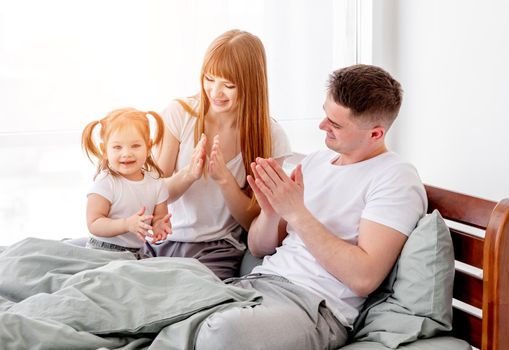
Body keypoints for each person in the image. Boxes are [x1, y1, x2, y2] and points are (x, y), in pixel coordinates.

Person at [194, 64, 428, 349]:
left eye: (336, 124)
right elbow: (258, 248)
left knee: (223, 331)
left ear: (376, 134)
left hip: (314, 307)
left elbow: (364, 277)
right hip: (258, 284)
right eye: (325, 114)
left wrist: (296, 212)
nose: (322, 125)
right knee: (163, 291)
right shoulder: (316, 162)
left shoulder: (395, 177)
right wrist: (270, 213)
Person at [149, 29, 291, 279]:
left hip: (217, 251)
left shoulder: (272, 137)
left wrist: (225, 180)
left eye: (228, 85)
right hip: (161, 242)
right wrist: (188, 175)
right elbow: (154, 195)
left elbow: (254, 223)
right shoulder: (179, 114)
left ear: (251, 85)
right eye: (209, 79)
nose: (215, 92)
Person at [81, 108, 172, 259]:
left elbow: (159, 217)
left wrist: (159, 226)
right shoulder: (106, 183)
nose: (126, 153)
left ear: (149, 147)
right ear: (105, 150)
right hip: (102, 252)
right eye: (117, 147)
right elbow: (94, 223)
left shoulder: (157, 183)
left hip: (138, 253)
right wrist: (126, 224)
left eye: (135, 146)